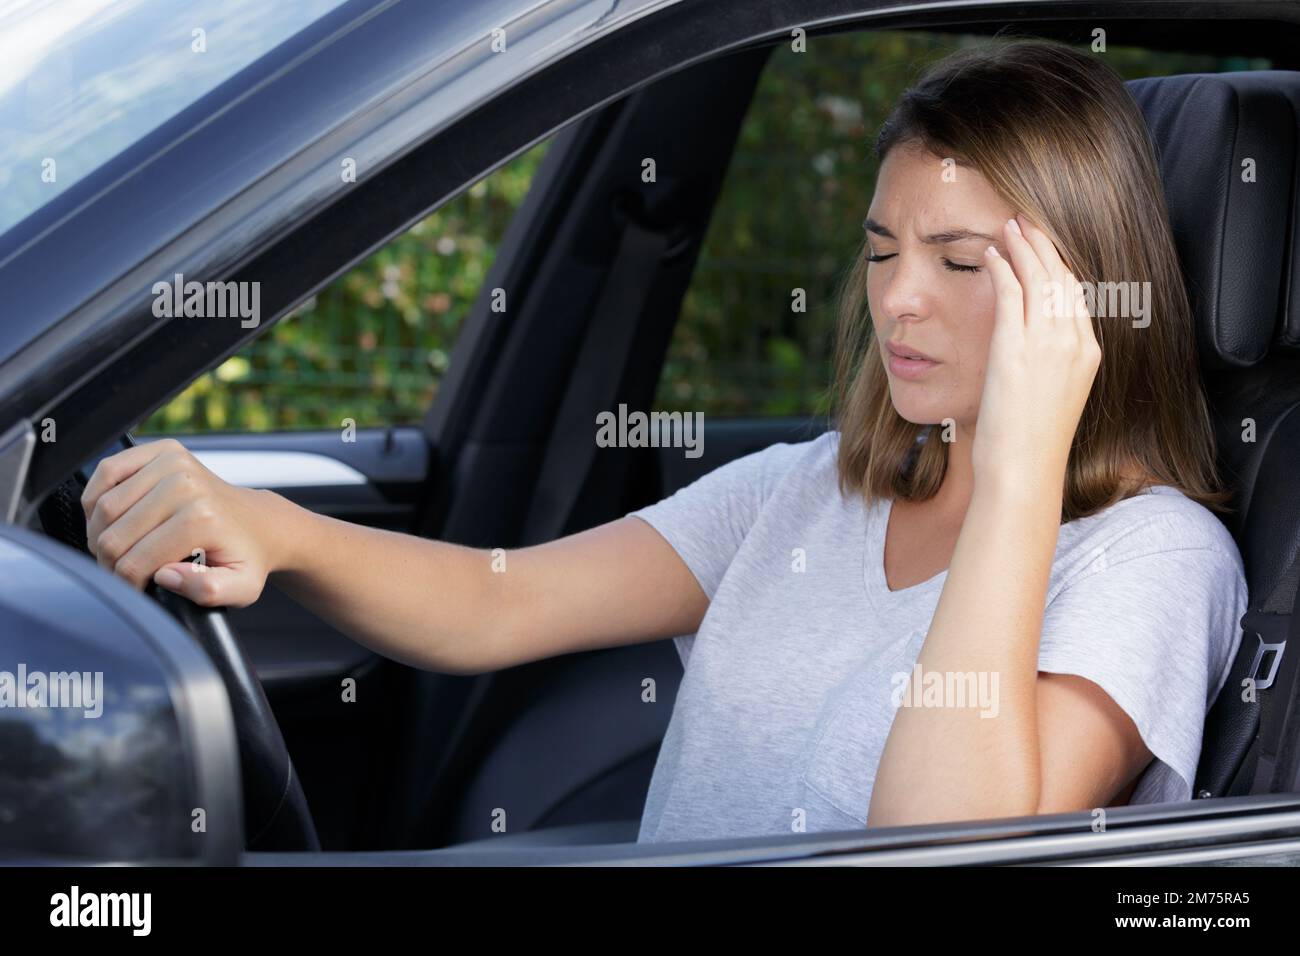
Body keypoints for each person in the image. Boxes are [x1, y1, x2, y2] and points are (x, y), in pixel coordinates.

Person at [81, 37, 1247, 844]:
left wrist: (1022, 468)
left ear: (1078, 294)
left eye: (956, 261)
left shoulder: (1152, 560)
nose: (894, 298)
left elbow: (942, 843)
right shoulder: (808, 493)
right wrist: (276, 529)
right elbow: (499, 603)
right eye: (882, 248)